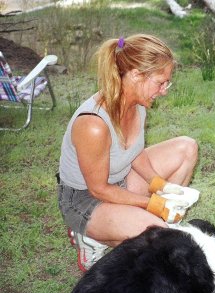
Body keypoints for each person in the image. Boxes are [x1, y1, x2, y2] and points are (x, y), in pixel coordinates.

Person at [57, 34, 198, 272]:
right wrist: (153, 203)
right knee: (158, 240)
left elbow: (135, 151)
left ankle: (143, 224)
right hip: (85, 200)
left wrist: (159, 184)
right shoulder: (93, 124)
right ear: (135, 75)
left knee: (187, 147)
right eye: (160, 82)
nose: (164, 91)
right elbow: (98, 189)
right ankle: (91, 235)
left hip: (118, 181)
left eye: (167, 83)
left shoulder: (137, 103)